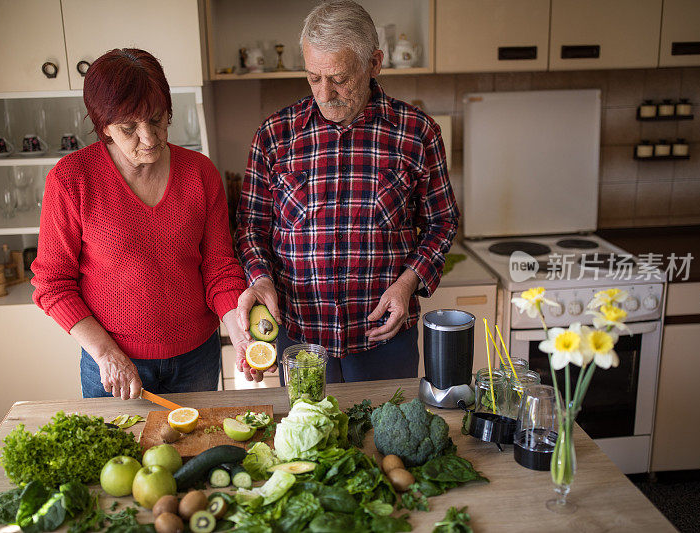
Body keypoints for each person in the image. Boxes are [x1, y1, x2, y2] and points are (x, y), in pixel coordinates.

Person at [235, 0, 459, 383]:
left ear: (374, 63)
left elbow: (443, 223)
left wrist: (408, 283)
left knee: (386, 443)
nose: (325, 93)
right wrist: (261, 279)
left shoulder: (417, 133)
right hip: (301, 342)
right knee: (309, 442)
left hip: (385, 342)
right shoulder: (275, 135)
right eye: (313, 77)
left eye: (339, 78)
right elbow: (250, 226)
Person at [32, 48, 249, 399]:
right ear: (103, 126)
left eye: (157, 119)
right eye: (129, 128)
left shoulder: (200, 173)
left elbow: (219, 267)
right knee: (119, 453)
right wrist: (105, 353)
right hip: (112, 360)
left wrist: (236, 327)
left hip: (197, 358)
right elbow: (52, 284)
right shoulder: (71, 179)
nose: (149, 139)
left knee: (196, 453)